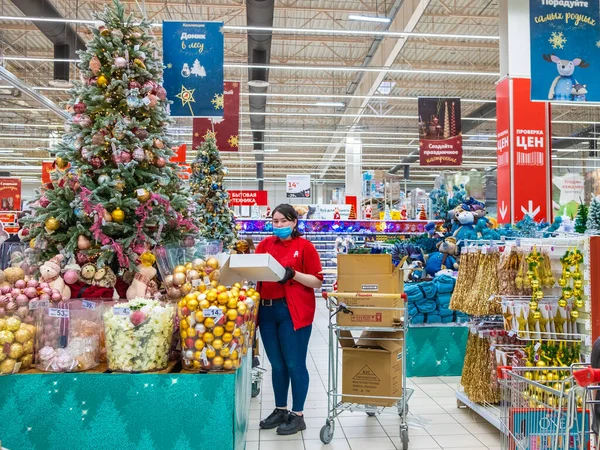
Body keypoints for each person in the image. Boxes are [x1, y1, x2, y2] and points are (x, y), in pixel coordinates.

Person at [256, 203, 323, 435]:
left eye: (284, 221)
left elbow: (317, 281)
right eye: (275, 221)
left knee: (295, 364)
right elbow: (255, 273)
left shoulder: (305, 247)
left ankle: (298, 414)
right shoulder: (265, 245)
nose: (279, 225)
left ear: (294, 222)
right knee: (277, 365)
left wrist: (293, 274)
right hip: (266, 311)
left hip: (292, 311)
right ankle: (281, 409)